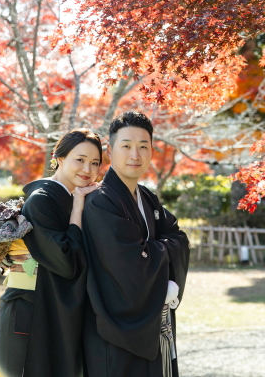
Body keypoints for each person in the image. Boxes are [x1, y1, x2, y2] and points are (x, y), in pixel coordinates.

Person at [82, 111, 191, 377]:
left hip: (153, 325)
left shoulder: (148, 198)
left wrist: (152, 249)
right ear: (110, 150)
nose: (135, 155)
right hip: (116, 331)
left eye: (143, 147)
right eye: (126, 146)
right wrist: (162, 250)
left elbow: (181, 239)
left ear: (152, 152)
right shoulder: (101, 202)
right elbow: (129, 263)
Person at [0, 128, 102, 377]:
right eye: (80, 159)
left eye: (95, 162)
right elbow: (66, 261)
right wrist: (77, 212)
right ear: (60, 158)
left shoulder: (79, 197)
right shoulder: (41, 200)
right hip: (29, 308)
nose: (87, 169)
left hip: (54, 308)